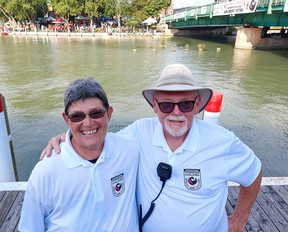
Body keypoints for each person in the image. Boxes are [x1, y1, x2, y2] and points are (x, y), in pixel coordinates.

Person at [41, 64, 262, 232]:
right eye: (166, 105)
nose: (176, 113)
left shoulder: (222, 141)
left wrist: (239, 220)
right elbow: (98, 141)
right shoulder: (138, 132)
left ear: (197, 105)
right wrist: (68, 137)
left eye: (185, 104)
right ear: (154, 105)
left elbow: (253, 173)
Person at [19, 78, 139, 231]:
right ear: (66, 120)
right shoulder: (46, 171)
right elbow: (30, 227)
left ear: (109, 114)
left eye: (96, 113)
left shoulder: (130, 149)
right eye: (77, 116)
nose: (88, 123)